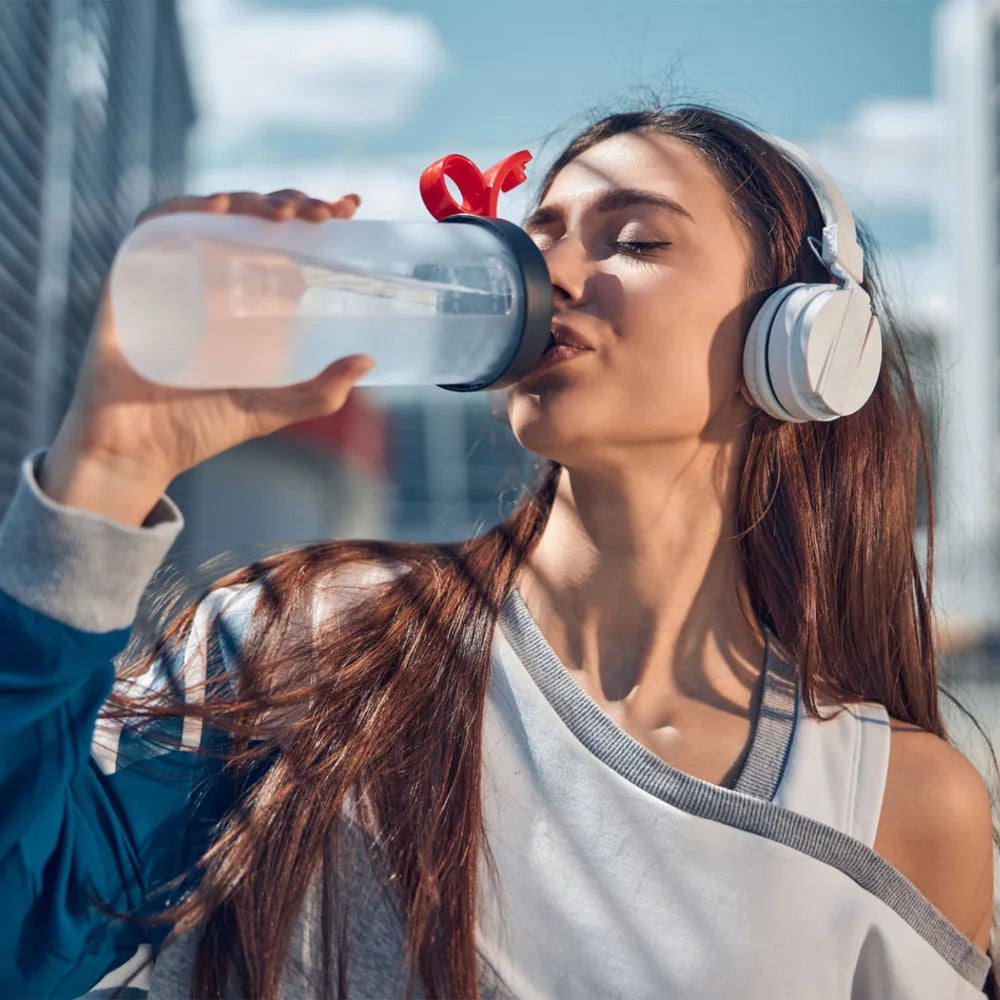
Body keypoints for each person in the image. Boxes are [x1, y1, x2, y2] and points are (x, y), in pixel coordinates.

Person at [0, 104, 996, 1000]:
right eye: (537, 234)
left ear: (801, 341)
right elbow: (22, 936)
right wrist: (108, 468)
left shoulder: (898, 806)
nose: (547, 273)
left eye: (634, 239)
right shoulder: (310, 641)